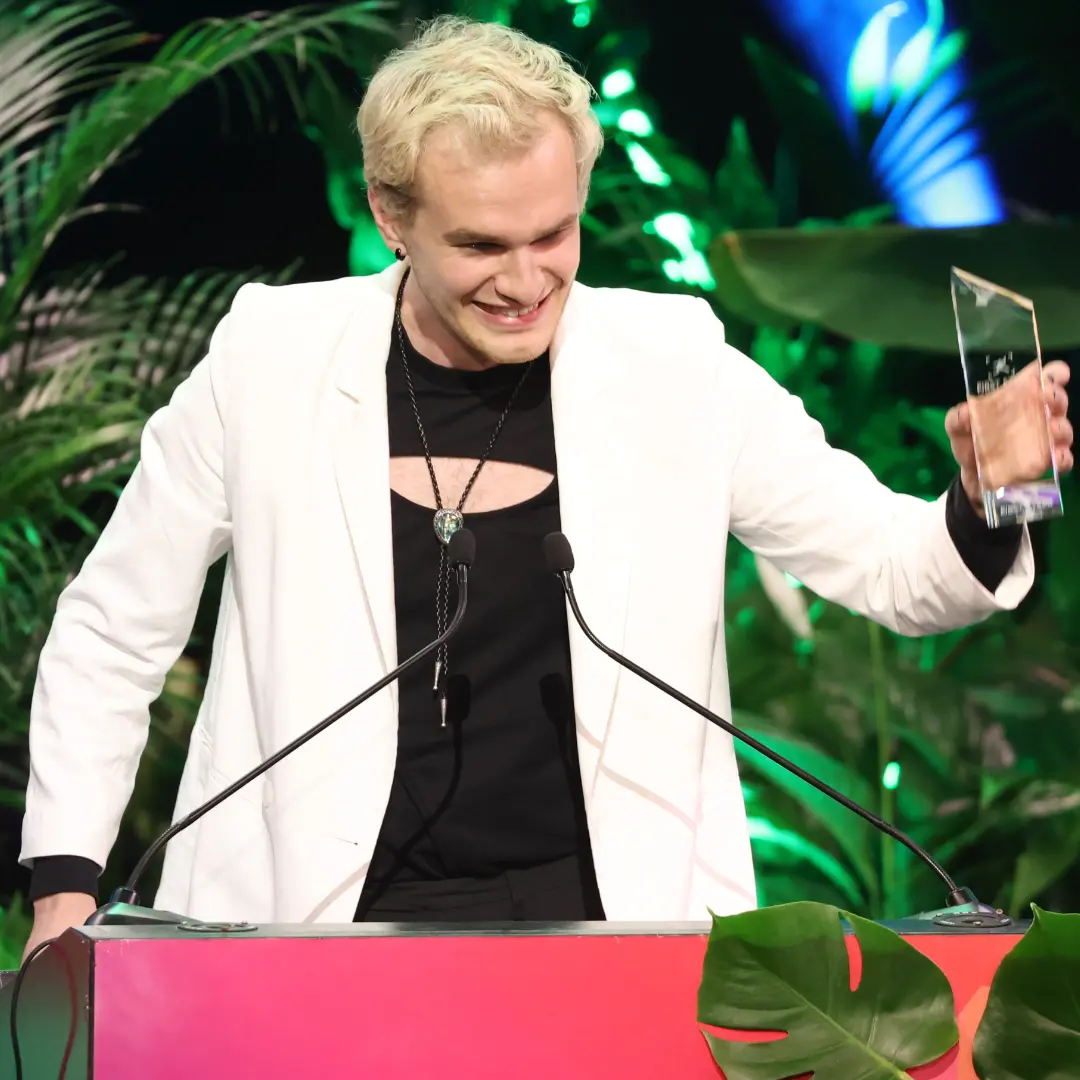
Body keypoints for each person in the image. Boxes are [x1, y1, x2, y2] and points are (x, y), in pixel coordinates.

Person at [19, 16, 1072, 958]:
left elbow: (896, 572)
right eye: (480, 245)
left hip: (610, 936)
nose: (525, 284)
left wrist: (993, 499)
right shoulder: (269, 360)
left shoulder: (675, 362)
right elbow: (114, 629)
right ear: (392, 213)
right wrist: (64, 885)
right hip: (310, 934)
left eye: (551, 236)